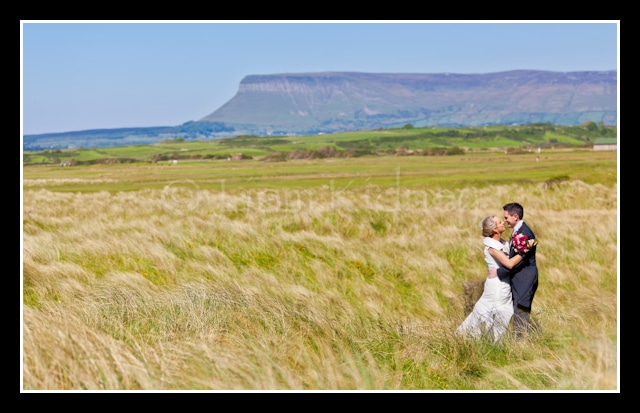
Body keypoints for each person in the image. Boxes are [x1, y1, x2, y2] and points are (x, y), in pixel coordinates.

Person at [456, 215, 527, 343]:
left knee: (499, 314)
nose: (503, 222)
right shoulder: (492, 247)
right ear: (495, 229)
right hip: (497, 287)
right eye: (500, 222)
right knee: (491, 313)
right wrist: (525, 250)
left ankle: (491, 342)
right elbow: (509, 264)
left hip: (503, 283)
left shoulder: (502, 242)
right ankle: (480, 340)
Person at [497, 202, 538, 340]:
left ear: (515, 216)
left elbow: (516, 260)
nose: (505, 220)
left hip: (524, 278)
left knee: (521, 310)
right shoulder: (518, 231)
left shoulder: (524, 234)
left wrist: (498, 273)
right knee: (517, 310)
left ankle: (520, 344)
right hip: (519, 278)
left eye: (506, 217)